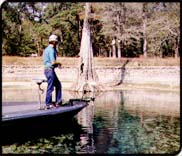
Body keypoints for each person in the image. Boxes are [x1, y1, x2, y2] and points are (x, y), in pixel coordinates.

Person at [43, 34, 62, 109]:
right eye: (56, 41)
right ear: (54, 42)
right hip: (49, 70)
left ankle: (58, 102)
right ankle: (48, 103)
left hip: (48, 70)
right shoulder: (51, 50)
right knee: (50, 87)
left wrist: (56, 65)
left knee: (58, 85)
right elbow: (53, 62)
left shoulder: (47, 49)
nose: (57, 43)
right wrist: (59, 63)